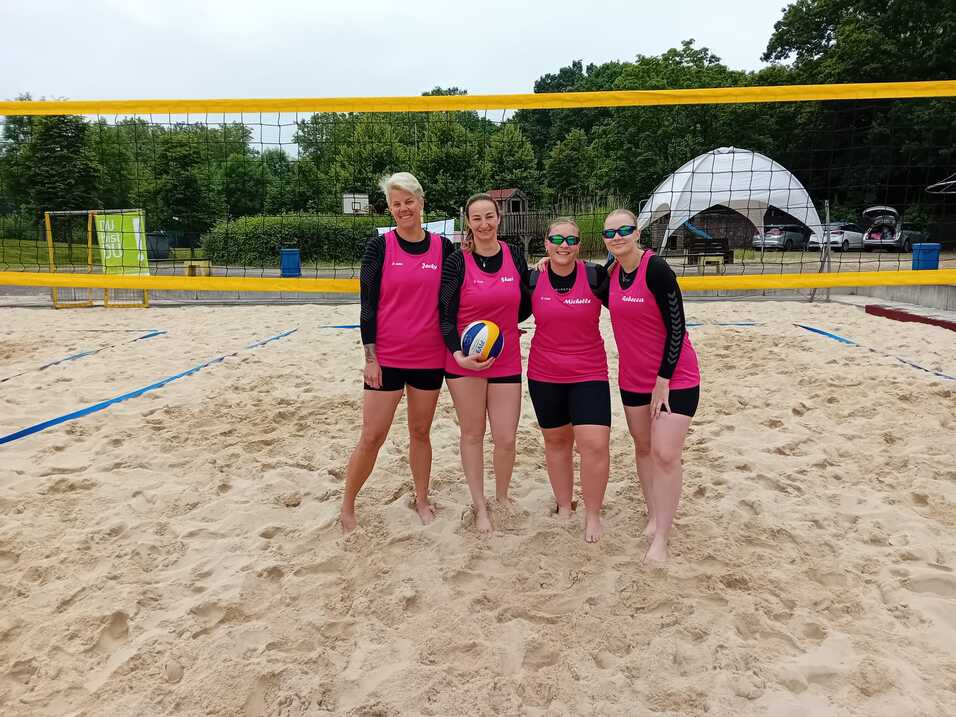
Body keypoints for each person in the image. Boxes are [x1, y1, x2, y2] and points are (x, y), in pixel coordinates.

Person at [340, 172, 455, 532]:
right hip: (387, 359)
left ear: (421, 203)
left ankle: (421, 499)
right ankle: (347, 506)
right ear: (390, 209)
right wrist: (370, 358)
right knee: (372, 435)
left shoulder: (444, 248)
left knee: (420, 433)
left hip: (429, 358)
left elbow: (459, 300)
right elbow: (367, 306)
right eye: (396, 203)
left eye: (409, 201)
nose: (403, 208)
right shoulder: (379, 247)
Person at [603, 209, 700, 563]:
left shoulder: (655, 268)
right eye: (610, 232)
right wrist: (541, 265)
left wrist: (664, 380)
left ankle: (662, 536)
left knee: (665, 453)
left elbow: (678, 327)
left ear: (637, 232)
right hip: (632, 378)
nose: (617, 237)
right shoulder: (611, 273)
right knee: (643, 448)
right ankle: (654, 513)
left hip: (675, 377)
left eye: (624, 230)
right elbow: (573, 279)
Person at [438, 193, 531, 534]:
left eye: (489, 216)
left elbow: (525, 306)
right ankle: (480, 507)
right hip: (465, 360)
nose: (484, 224)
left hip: (505, 356)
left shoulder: (514, 255)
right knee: (473, 433)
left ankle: (502, 498)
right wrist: (459, 353)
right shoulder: (457, 261)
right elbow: (445, 317)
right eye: (476, 218)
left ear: (499, 218)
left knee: (505, 437)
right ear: (468, 223)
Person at [528, 217, 611, 543]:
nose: (564, 245)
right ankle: (564, 505)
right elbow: (505, 309)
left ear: (579, 245)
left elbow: (631, 298)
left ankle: (592, 514)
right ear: (546, 243)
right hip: (544, 373)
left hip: (589, 372)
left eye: (571, 240)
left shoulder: (595, 276)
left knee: (595, 445)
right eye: (557, 239)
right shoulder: (533, 279)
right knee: (557, 442)